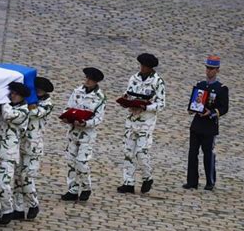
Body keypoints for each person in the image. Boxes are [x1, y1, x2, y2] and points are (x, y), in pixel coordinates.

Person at [117, 53, 165, 194]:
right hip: (132, 119)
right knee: (128, 152)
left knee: (141, 152)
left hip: (146, 121)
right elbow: (128, 93)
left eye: (145, 66)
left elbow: (161, 104)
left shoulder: (157, 82)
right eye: (141, 65)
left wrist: (146, 107)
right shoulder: (134, 78)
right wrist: (126, 100)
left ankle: (147, 176)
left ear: (150, 68)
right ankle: (128, 182)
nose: (142, 68)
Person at [0, 82, 30, 225]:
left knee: (3, 184)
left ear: (21, 97)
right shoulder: (1, 109)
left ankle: (7, 211)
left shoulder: (23, 111)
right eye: (11, 93)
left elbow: (8, 115)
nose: (12, 95)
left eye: (15, 94)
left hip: (8, 153)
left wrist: (3, 101)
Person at [60, 67, 107, 202]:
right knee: (71, 161)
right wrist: (66, 117)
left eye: (90, 79)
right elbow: (68, 107)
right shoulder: (77, 91)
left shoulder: (100, 98)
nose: (87, 81)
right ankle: (72, 190)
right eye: (86, 78)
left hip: (87, 135)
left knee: (81, 162)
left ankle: (86, 187)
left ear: (95, 82)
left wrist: (86, 123)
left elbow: (98, 118)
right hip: (73, 132)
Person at [183, 55, 229, 191]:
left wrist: (212, 112)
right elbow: (192, 102)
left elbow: (224, 107)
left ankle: (210, 181)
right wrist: (192, 109)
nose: (209, 71)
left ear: (217, 70)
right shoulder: (200, 85)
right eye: (208, 68)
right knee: (192, 154)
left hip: (209, 126)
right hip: (197, 124)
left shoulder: (221, 88)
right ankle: (192, 181)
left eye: (212, 69)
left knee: (208, 155)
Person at [14, 77, 54, 220]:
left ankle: (33, 204)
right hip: (20, 143)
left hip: (33, 147)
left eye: (39, 90)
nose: (37, 92)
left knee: (26, 178)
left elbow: (34, 113)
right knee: (16, 177)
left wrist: (26, 102)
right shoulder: (28, 101)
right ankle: (17, 208)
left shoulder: (47, 104)